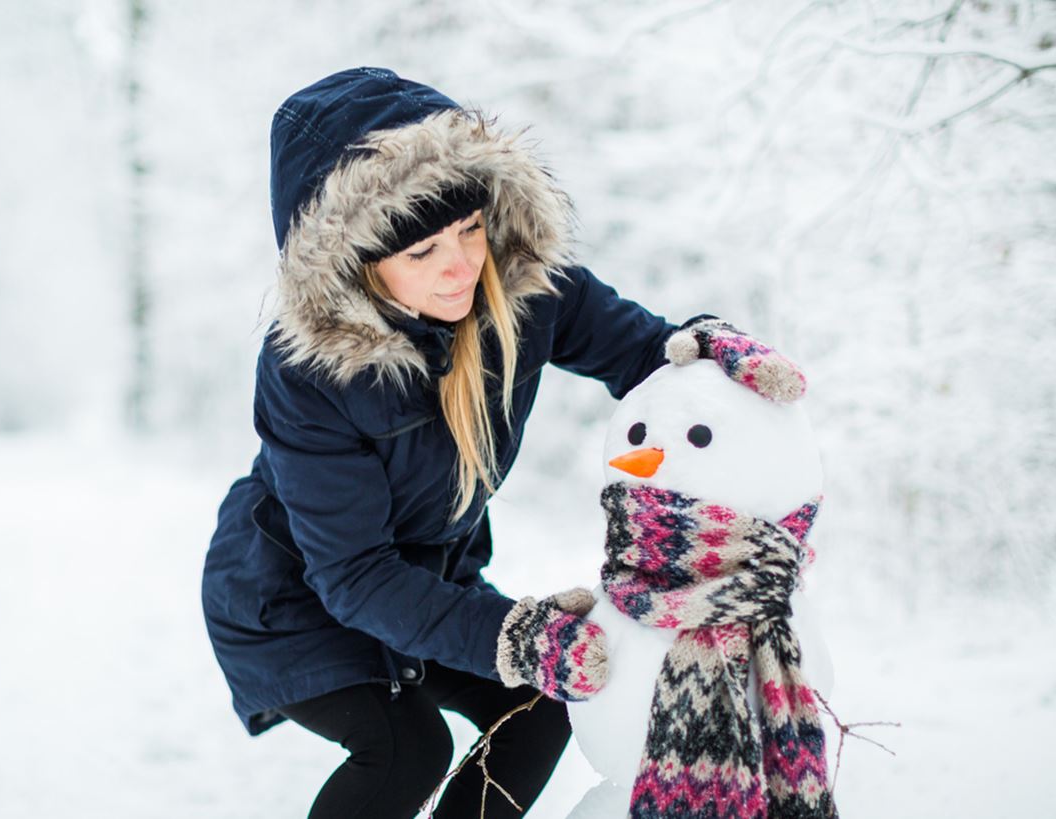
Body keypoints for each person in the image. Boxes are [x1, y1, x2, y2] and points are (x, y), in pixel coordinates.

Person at [201, 66, 729, 818]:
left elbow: (649, 353)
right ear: (356, 268)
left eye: (469, 230)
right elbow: (352, 574)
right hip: (295, 597)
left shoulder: (522, 290)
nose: (459, 266)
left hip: (424, 578)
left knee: (539, 703)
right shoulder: (308, 372)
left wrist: (717, 357)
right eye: (420, 253)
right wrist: (515, 634)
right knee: (406, 748)